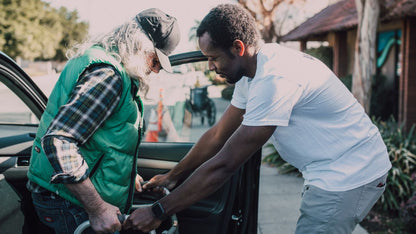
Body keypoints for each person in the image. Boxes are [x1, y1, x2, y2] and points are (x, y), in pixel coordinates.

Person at [123, 3, 392, 234]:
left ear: (238, 47)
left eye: (213, 57)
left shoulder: (275, 78)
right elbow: (218, 135)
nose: (210, 67)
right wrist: (173, 176)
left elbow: (225, 163)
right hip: (329, 171)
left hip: (350, 175)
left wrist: (158, 211)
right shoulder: (252, 74)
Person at [26, 8, 180, 234]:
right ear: (139, 45)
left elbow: (98, 138)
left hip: (63, 196)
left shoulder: (101, 60)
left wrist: (125, 176)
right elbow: (60, 141)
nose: (156, 70)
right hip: (69, 204)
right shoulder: (108, 76)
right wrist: (97, 208)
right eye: (155, 59)